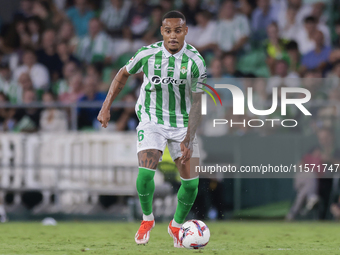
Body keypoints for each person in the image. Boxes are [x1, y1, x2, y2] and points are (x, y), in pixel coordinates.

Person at [97, 11, 205, 247]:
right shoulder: (147, 53)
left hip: (182, 123)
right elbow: (122, 74)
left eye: (178, 30)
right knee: (146, 174)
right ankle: (147, 220)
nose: (173, 35)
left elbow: (197, 101)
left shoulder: (196, 61)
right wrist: (106, 107)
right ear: (162, 32)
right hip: (151, 119)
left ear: (185, 31)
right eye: (168, 31)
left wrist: (189, 136)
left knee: (192, 184)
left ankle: (176, 226)